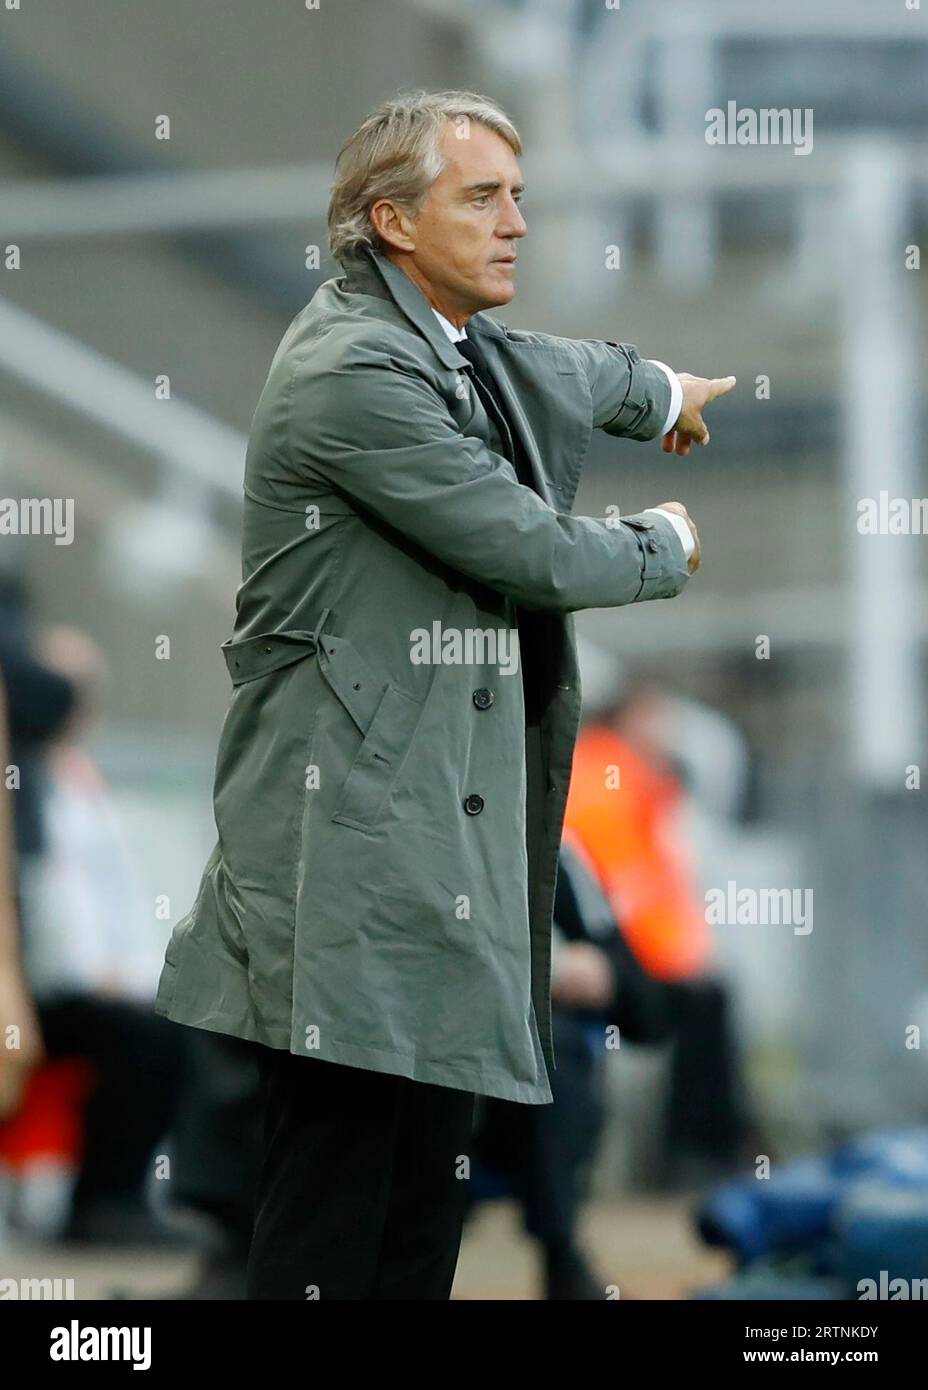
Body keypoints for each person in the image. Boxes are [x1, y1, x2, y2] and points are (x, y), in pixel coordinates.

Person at [154, 89, 735, 1300]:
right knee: (332, 1234)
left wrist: (661, 387)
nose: (516, 222)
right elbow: (529, 548)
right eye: (482, 198)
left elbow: (551, 368)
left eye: (517, 195)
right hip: (349, 865)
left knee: (417, 1226)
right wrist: (663, 546)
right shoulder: (351, 372)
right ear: (391, 221)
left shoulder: (429, 338)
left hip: (424, 864)